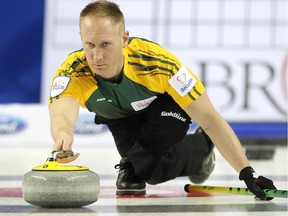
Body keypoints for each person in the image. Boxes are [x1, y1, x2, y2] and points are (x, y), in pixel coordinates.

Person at [48, 0, 276, 199]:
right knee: (150, 172)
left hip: (163, 109)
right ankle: (202, 151)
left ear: (124, 38)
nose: (97, 56)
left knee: (153, 143)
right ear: (81, 38)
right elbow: (61, 112)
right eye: (90, 45)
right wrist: (63, 136)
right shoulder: (73, 71)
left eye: (105, 44)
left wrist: (247, 173)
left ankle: (139, 160)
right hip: (121, 119)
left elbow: (209, 117)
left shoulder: (157, 63)